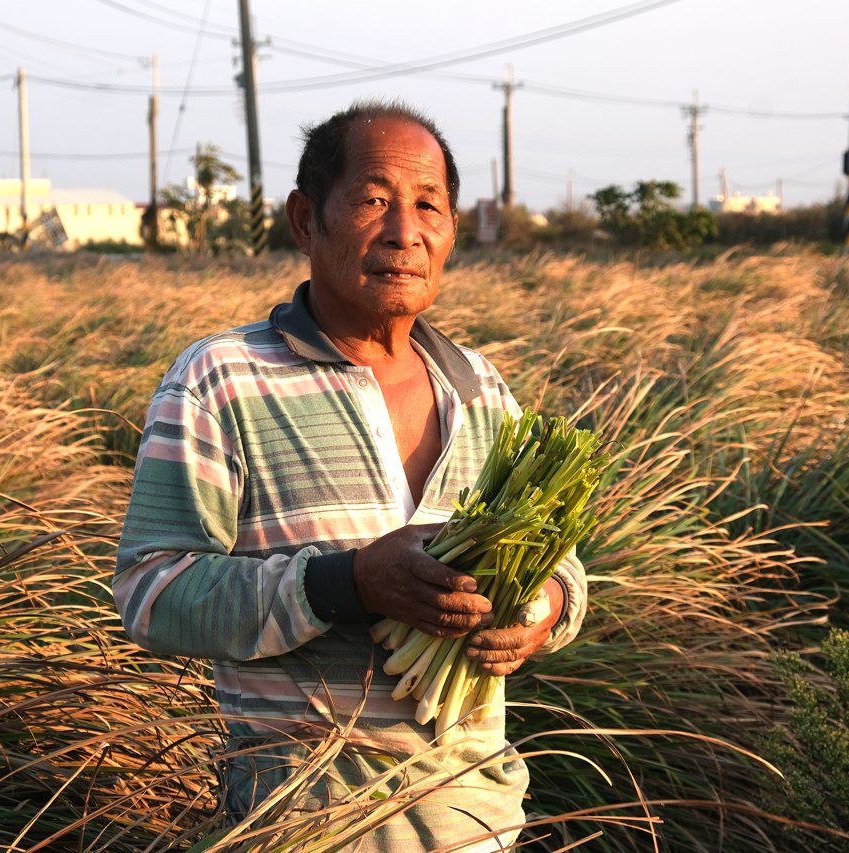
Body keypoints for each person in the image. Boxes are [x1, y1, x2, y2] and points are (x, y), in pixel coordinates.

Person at [114, 99, 587, 851]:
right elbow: (151, 592)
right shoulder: (220, 380)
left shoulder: (481, 390)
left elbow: (559, 559)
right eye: (373, 200)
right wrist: (344, 582)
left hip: (478, 824)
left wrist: (542, 610)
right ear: (306, 221)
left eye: (429, 204)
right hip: (303, 825)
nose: (405, 230)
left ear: (452, 233)